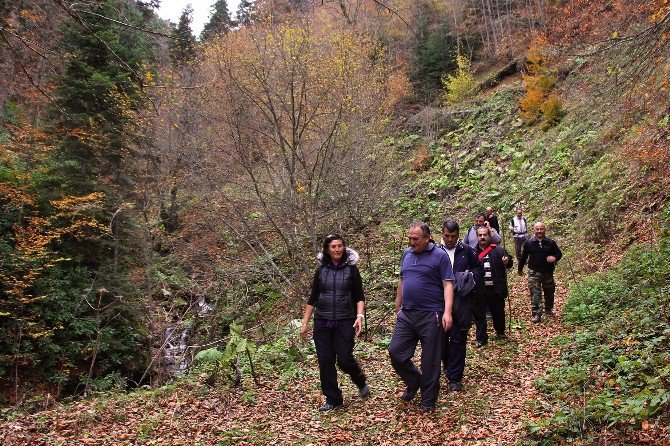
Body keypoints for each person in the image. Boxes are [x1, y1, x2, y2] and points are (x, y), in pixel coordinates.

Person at [389, 222, 454, 413]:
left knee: (430, 361)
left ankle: (428, 401)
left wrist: (447, 312)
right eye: (409, 238)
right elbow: (402, 280)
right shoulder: (407, 254)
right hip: (407, 314)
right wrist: (397, 306)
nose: (411, 242)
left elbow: (448, 285)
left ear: (427, 238)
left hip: (431, 314)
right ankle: (414, 380)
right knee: (396, 352)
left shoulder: (440, 256)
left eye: (415, 239)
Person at [300, 234, 370, 412]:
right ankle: (333, 398)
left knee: (344, 359)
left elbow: (359, 296)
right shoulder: (321, 270)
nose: (337, 249)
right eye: (333, 246)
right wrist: (305, 323)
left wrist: (359, 316)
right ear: (327, 250)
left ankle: (359, 379)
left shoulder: (351, 270)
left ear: (344, 248)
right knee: (325, 360)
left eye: (340, 246)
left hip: (345, 320)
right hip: (322, 321)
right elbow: (313, 298)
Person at [439, 219, 483, 392]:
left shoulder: (467, 251)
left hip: (462, 302)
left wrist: (469, 276)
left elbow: (479, 270)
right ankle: (448, 365)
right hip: (440, 304)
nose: (450, 239)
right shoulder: (434, 251)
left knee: (458, 340)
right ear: (442, 234)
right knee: (441, 341)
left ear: (458, 235)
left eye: (453, 236)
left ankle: (455, 378)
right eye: (447, 236)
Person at [473, 226, 513, 347]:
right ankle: (481, 338)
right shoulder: (472, 252)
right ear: (477, 237)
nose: (482, 237)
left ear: (489, 236)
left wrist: (507, 261)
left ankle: (500, 332)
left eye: (485, 235)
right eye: (480, 235)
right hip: (480, 289)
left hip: (495, 288)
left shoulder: (498, 250)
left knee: (498, 311)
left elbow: (510, 263)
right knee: (480, 314)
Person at [518, 222, 563, 323]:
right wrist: (520, 269)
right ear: (534, 230)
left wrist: (554, 257)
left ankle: (548, 310)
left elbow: (559, 254)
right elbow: (524, 256)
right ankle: (537, 314)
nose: (539, 231)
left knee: (549, 292)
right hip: (534, 272)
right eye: (537, 229)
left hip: (548, 272)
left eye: (541, 229)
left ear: (544, 230)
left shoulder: (551, 243)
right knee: (535, 293)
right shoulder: (529, 243)